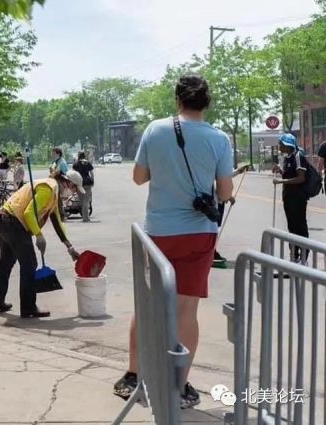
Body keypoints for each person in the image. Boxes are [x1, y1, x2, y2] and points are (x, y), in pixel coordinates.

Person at [113, 75, 234, 408]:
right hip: (198, 233)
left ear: (177, 100)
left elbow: (138, 177)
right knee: (186, 309)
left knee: (146, 305)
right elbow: (224, 193)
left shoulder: (155, 130)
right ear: (205, 103)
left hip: (159, 233)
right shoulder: (220, 139)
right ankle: (177, 386)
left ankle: (133, 376)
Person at [0, 170, 83, 318]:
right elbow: (28, 213)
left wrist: (69, 246)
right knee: (29, 264)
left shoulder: (53, 193)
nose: (72, 193)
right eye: (74, 189)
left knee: (6, 262)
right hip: (14, 223)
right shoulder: (49, 189)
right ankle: (28, 308)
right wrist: (39, 235)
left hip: (4, 222)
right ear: (68, 183)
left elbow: (57, 222)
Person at [273, 133, 309, 262]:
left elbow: (301, 178)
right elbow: (288, 175)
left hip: (298, 198)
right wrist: (280, 171)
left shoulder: (298, 156)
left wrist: (282, 182)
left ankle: (304, 257)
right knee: (291, 227)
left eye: (281, 144)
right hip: (288, 198)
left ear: (288, 145)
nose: (280, 146)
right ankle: (294, 256)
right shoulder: (287, 157)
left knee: (300, 227)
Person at [213, 165, 249, 265]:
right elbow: (217, 184)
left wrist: (238, 171)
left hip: (219, 202)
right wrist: (228, 197)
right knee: (214, 228)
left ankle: (213, 251)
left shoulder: (219, 168)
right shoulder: (213, 167)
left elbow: (225, 176)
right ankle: (212, 252)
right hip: (213, 204)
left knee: (217, 228)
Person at [72, 151, 94, 222]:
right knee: (86, 200)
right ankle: (85, 217)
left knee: (81, 201)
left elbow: (73, 174)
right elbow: (91, 173)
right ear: (84, 156)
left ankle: (84, 216)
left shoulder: (76, 164)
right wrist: (92, 181)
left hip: (79, 183)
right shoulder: (88, 163)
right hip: (87, 182)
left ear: (78, 156)